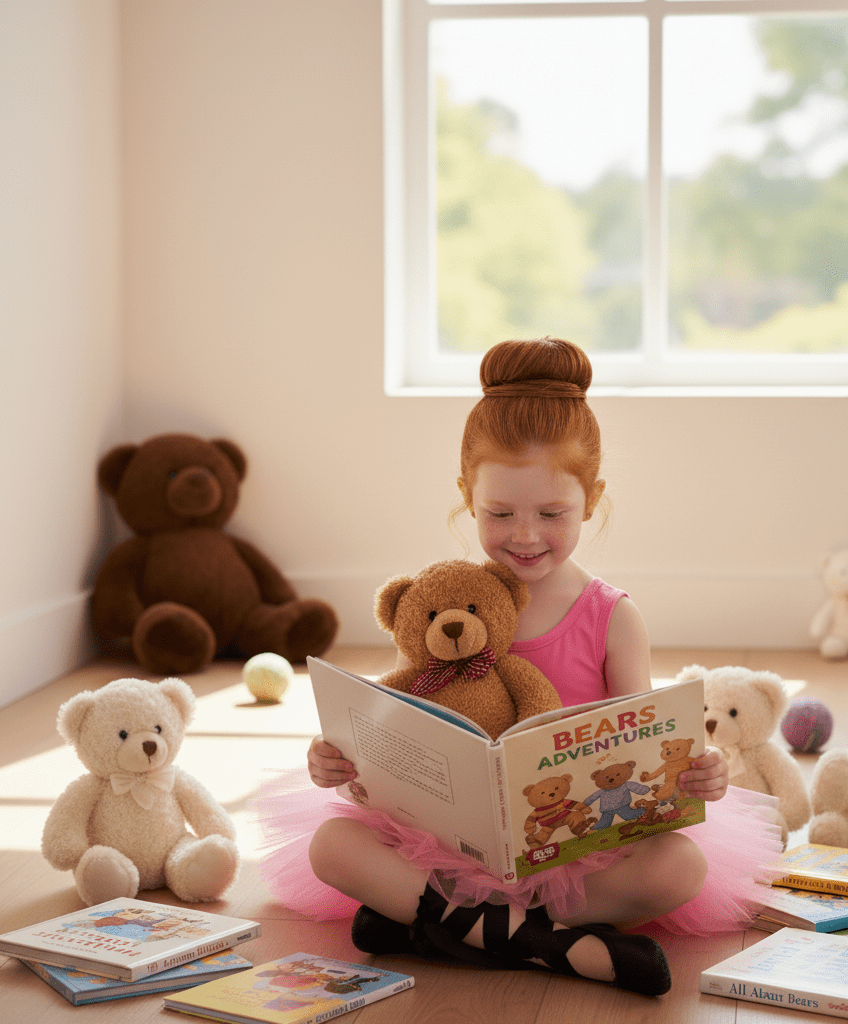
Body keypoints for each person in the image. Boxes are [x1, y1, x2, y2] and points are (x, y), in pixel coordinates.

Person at [259, 337, 782, 996]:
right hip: (452, 844)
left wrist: (695, 774)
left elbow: (650, 750)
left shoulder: (613, 619)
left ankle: (446, 929)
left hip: (579, 848)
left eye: (551, 513)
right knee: (331, 846)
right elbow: (397, 729)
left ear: (590, 498)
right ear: (465, 496)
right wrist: (338, 762)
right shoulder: (444, 604)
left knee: (680, 870)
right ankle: (537, 943)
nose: (525, 535)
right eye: (499, 513)